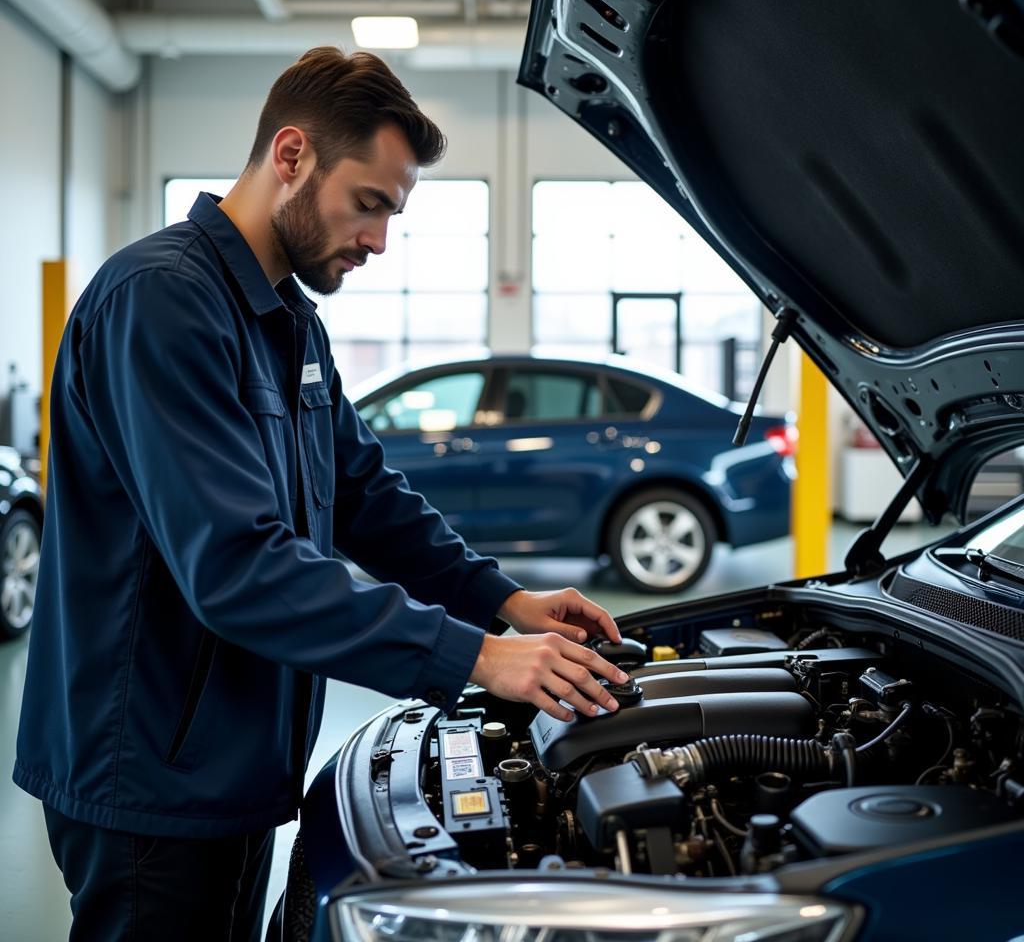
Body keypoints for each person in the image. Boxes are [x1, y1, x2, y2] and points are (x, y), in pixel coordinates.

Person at [15, 47, 628, 941]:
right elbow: (237, 565)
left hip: (227, 759)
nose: (379, 239)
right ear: (291, 156)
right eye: (369, 203)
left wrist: (505, 600)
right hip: (144, 773)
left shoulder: (286, 317)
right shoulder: (161, 302)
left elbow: (364, 493)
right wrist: (475, 657)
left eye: (393, 212)